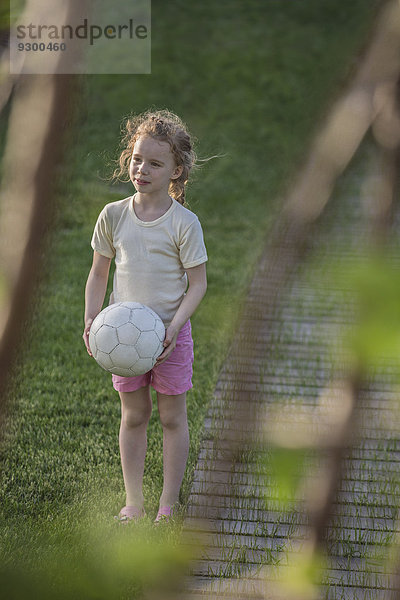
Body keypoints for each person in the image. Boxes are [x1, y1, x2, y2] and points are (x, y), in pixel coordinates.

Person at [82, 110, 208, 524]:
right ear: (128, 158)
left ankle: (167, 506)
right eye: (137, 159)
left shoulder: (184, 223)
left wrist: (173, 328)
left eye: (155, 163)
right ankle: (133, 503)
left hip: (170, 338)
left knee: (173, 418)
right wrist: (92, 319)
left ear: (177, 170)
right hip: (124, 338)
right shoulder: (114, 214)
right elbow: (100, 271)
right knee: (133, 415)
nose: (142, 168)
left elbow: (198, 284)